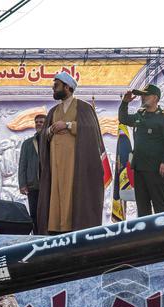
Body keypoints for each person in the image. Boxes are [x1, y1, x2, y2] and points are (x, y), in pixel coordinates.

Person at [37, 72, 107, 234]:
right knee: (56, 195)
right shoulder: (53, 111)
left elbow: (91, 130)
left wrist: (67, 125)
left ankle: (73, 227)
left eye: (56, 86)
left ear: (67, 87)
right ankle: (56, 228)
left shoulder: (84, 108)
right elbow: (43, 136)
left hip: (76, 165)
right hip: (55, 165)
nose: (53, 89)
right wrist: (50, 130)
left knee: (73, 194)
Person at [119, 83, 164, 216]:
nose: (142, 98)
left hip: (155, 168)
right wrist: (124, 103)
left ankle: (162, 235)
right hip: (139, 167)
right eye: (141, 96)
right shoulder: (140, 115)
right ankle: (145, 235)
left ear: (156, 98)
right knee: (142, 206)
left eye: (146, 95)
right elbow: (123, 119)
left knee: (159, 205)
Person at [18, 113, 45, 225]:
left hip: (49, 185)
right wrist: (22, 184)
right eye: (36, 122)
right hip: (33, 185)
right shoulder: (27, 143)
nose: (38, 124)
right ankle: (36, 237)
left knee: (48, 213)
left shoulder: (52, 141)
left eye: (41, 122)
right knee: (34, 214)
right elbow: (22, 165)